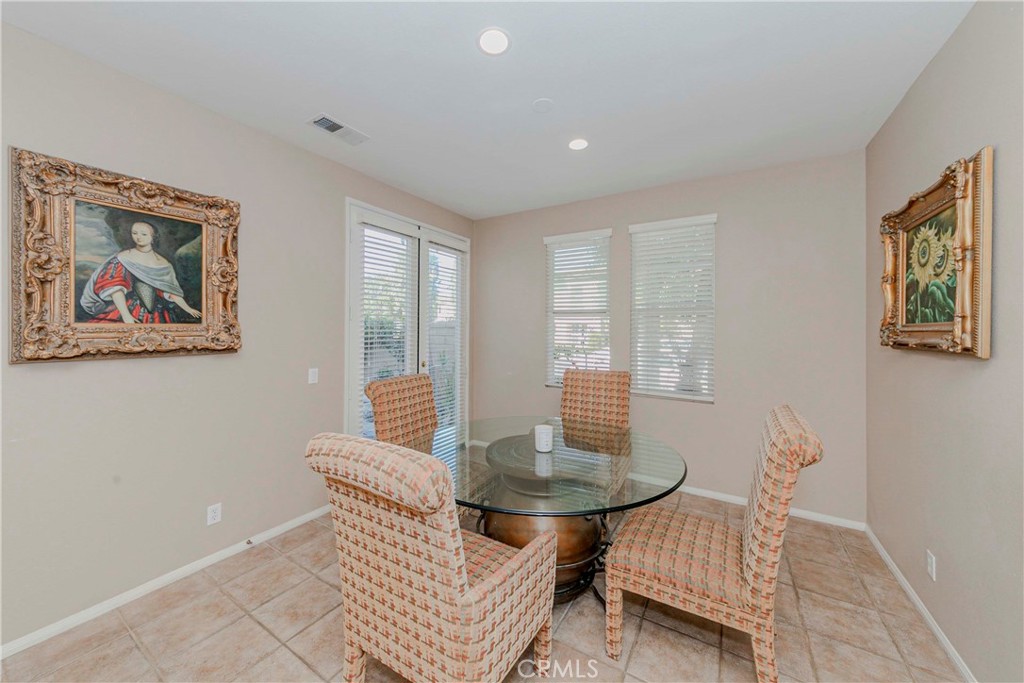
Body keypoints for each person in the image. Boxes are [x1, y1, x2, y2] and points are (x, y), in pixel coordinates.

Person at [80, 221, 201, 324]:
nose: (138, 237)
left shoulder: (164, 263)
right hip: (129, 309)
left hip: (159, 314)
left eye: (143, 234)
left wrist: (188, 308)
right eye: (135, 233)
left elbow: (170, 291)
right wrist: (126, 315)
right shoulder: (123, 258)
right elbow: (115, 288)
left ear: (153, 237)